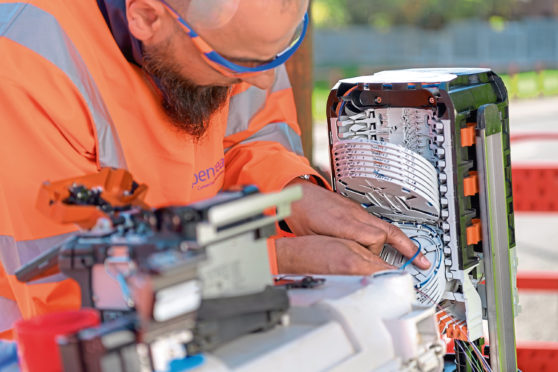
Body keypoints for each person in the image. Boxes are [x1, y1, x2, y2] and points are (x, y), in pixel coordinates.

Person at [0, 0, 430, 338]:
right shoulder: (25, 67)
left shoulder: (231, 33)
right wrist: (273, 260)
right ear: (147, 18)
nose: (263, 82)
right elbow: (74, 282)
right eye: (241, 64)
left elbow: (250, 138)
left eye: (276, 55)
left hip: (204, 313)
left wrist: (293, 194)